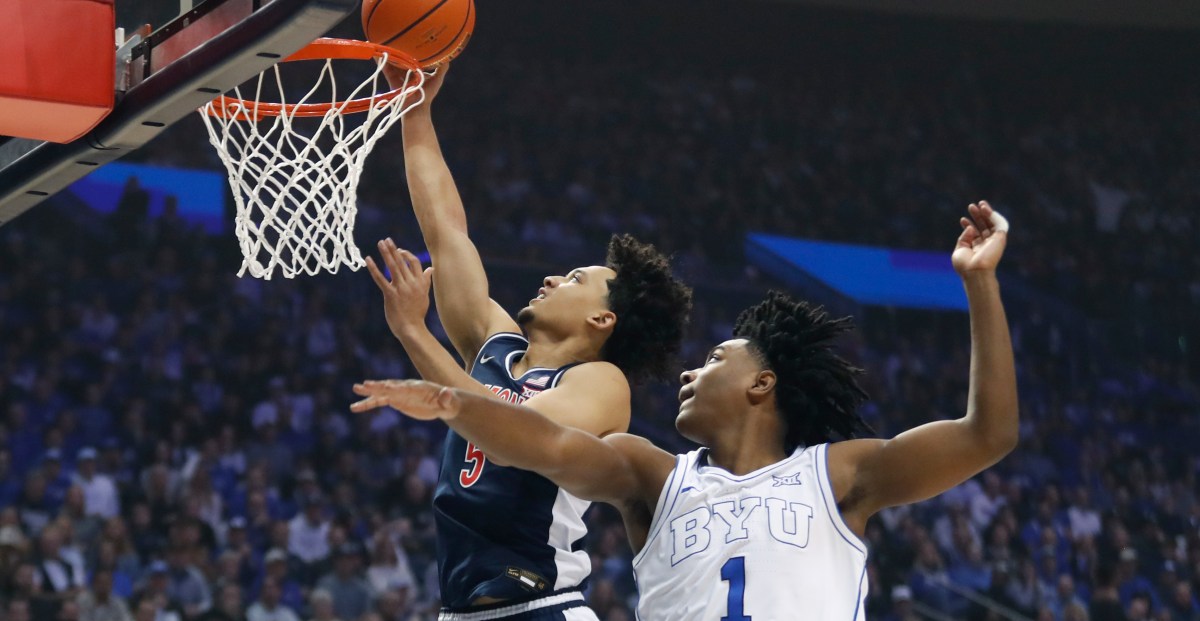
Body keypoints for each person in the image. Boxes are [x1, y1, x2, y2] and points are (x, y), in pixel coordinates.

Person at [354, 203, 1019, 619]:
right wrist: (452, 396)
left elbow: (988, 434)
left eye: (715, 358)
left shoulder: (837, 474)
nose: (690, 371)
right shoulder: (653, 473)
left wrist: (980, 285)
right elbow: (544, 444)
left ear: (762, 382)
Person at [367, 64, 692, 618]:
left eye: (574, 281)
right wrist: (414, 111)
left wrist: (414, 334)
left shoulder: (600, 382)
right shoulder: (495, 346)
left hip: (542, 604)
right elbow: (446, 233)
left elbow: (507, 434)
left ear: (602, 322)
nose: (550, 279)